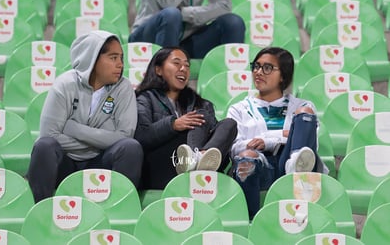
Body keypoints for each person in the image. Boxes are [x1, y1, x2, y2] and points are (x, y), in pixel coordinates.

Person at [26, 30, 143, 203]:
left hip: (100, 162)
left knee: (130, 147)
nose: (120, 64)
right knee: (44, 146)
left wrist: (74, 128)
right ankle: (41, 208)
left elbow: (124, 136)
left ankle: (120, 208)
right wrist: (101, 138)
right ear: (93, 58)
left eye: (121, 58)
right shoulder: (65, 84)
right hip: (65, 163)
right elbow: (49, 135)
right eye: (113, 58)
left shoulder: (123, 87)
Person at [226, 47, 328, 220]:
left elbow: (311, 145)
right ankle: (252, 220)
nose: (258, 72)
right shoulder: (239, 109)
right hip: (260, 166)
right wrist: (286, 135)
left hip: (290, 159)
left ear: (283, 76)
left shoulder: (301, 106)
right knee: (246, 157)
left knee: (305, 117)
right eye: (256, 66)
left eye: (267, 68)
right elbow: (234, 147)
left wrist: (268, 141)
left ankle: (295, 167)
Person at [134, 46, 238, 189]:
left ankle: (198, 159)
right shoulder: (145, 99)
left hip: (201, 171)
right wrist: (173, 125)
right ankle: (194, 160)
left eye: (187, 66)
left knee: (229, 124)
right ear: (158, 70)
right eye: (176, 63)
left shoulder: (201, 103)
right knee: (198, 116)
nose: (183, 69)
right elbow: (142, 136)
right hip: (164, 165)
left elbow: (217, 144)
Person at [129, 0, 246, 59]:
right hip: (149, 38)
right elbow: (168, 1)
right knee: (171, 15)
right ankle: (164, 86)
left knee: (233, 23)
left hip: (185, 39)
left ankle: (228, 85)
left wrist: (186, 14)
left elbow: (224, 5)